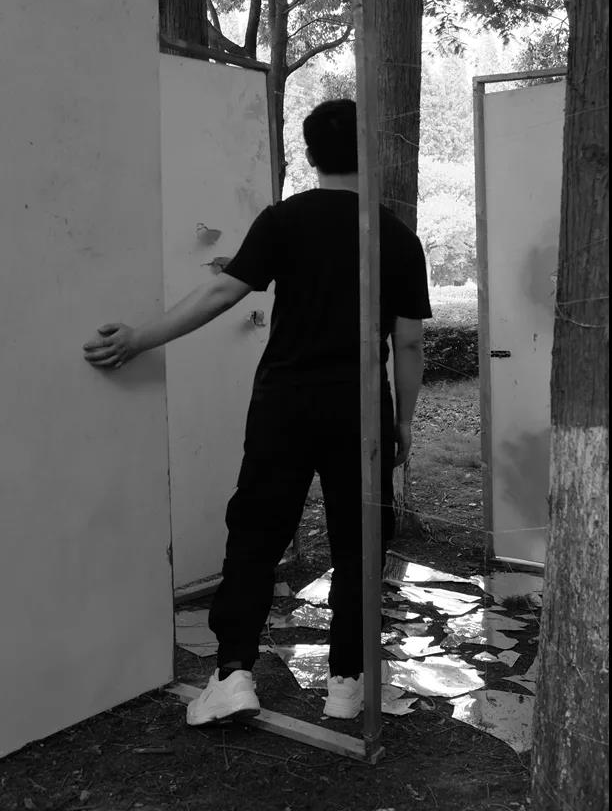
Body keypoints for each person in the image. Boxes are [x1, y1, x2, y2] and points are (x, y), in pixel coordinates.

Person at [83, 98, 432, 724]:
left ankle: (234, 674)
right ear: (371, 151)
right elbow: (408, 343)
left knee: (257, 534)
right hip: (360, 408)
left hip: (285, 403)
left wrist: (139, 338)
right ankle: (348, 683)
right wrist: (402, 420)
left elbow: (222, 291)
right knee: (361, 541)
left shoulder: (283, 220)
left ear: (311, 154)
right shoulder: (398, 237)